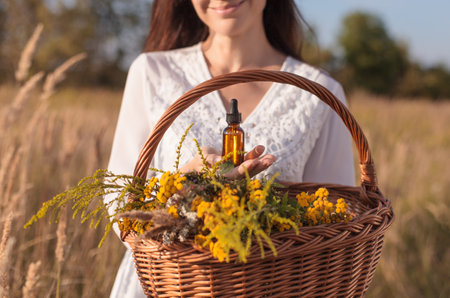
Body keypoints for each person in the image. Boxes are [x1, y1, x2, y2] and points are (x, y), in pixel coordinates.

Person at [106, 0, 355, 296]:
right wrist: (187, 186)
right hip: (163, 286)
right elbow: (119, 205)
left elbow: (337, 226)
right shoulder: (152, 72)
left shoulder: (319, 93)